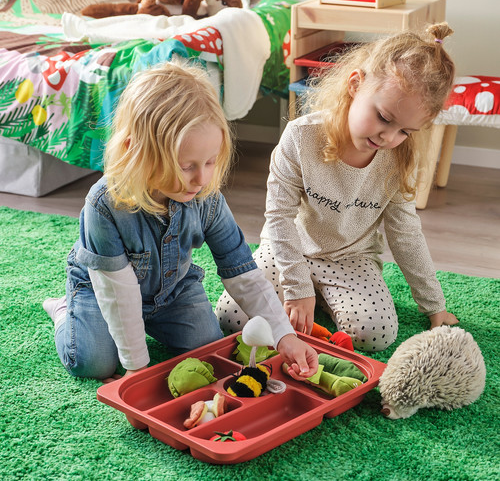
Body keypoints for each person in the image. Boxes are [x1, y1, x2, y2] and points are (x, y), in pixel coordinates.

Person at [43, 62, 318, 382]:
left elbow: (242, 271)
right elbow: (119, 295)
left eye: (211, 162)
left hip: (172, 293)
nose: (201, 178)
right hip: (101, 290)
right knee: (93, 362)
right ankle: (67, 310)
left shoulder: (207, 198)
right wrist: (135, 369)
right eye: (187, 166)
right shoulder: (104, 205)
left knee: (210, 351)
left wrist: (285, 336)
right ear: (138, 153)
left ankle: (145, 324)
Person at [216, 23, 460, 353]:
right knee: (232, 318)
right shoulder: (301, 137)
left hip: (350, 256)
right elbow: (279, 218)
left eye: (406, 131)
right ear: (355, 85)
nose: (389, 137)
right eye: (384, 118)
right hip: (289, 248)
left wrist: (435, 305)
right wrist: (297, 284)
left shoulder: (398, 159)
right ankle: (310, 296)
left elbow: (405, 233)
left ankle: (318, 298)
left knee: (376, 335)